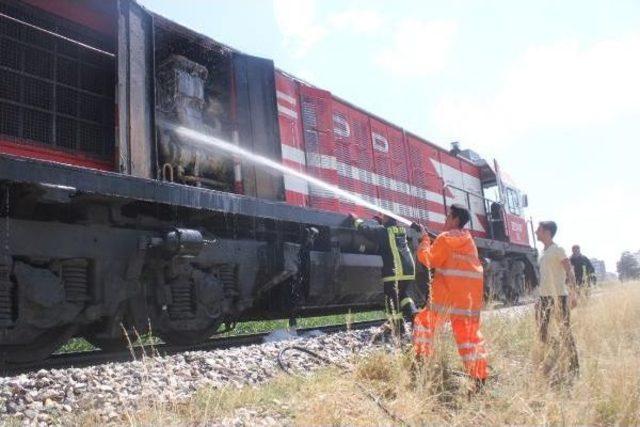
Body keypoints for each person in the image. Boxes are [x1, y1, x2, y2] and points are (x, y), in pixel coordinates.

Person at [411, 204, 488, 387]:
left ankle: (421, 362)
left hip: (446, 298)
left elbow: (430, 260)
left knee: (424, 323)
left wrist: (424, 240)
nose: (445, 220)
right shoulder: (469, 240)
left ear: (455, 219)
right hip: (468, 300)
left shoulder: (445, 238)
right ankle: (479, 378)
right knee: (469, 338)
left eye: (447, 217)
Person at [349, 213, 418, 334]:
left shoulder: (382, 232)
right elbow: (388, 233)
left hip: (394, 271)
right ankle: (414, 316)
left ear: (386, 218)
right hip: (409, 270)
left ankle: (398, 328)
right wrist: (383, 222)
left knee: (391, 299)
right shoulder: (400, 231)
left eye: (384, 216)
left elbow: (365, 229)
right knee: (404, 295)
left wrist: (355, 219)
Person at [535, 221, 579, 375]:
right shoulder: (543, 253)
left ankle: (574, 367)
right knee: (542, 331)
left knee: (565, 331)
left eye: (538, 229)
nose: (535, 232)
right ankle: (553, 355)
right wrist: (538, 298)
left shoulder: (558, 249)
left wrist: (573, 294)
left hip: (559, 296)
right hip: (544, 298)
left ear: (547, 232)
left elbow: (569, 271)